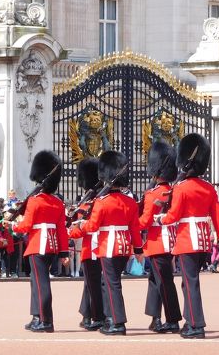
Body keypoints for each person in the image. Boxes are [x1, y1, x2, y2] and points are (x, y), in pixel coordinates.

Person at [154, 133, 219, 339]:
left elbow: (174, 216)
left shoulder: (181, 188)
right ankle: (190, 320)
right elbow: (217, 215)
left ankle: (196, 324)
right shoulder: (208, 188)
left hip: (187, 239)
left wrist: (161, 219)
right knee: (189, 282)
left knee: (191, 282)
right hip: (203, 240)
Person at [78, 150, 144, 335]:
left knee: (111, 284)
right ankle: (110, 318)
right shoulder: (130, 202)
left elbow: (92, 227)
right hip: (124, 248)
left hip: (108, 247)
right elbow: (135, 229)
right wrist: (138, 249)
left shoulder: (102, 202)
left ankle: (117, 322)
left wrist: (82, 224)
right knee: (112, 283)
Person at [12, 150, 70, 333]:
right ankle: (36, 316)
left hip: (38, 244)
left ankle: (46, 320)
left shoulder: (35, 201)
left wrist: (13, 226)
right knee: (36, 282)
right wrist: (63, 253)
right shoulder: (57, 202)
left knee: (41, 283)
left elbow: (26, 225)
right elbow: (61, 229)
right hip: (52, 246)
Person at [138, 141, 182, 333]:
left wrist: (131, 225)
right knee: (155, 281)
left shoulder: (153, 193)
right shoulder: (173, 191)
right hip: (171, 240)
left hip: (157, 244)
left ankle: (172, 319)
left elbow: (146, 221)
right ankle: (155, 318)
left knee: (164, 283)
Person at [68, 158, 105, 331]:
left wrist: (70, 231)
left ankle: (97, 316)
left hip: (91, 247)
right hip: (105, 246)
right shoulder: (103, 199)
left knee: (93, 283)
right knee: (91, 282)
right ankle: (86, 313)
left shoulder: (87, 203)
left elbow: (80, 229)